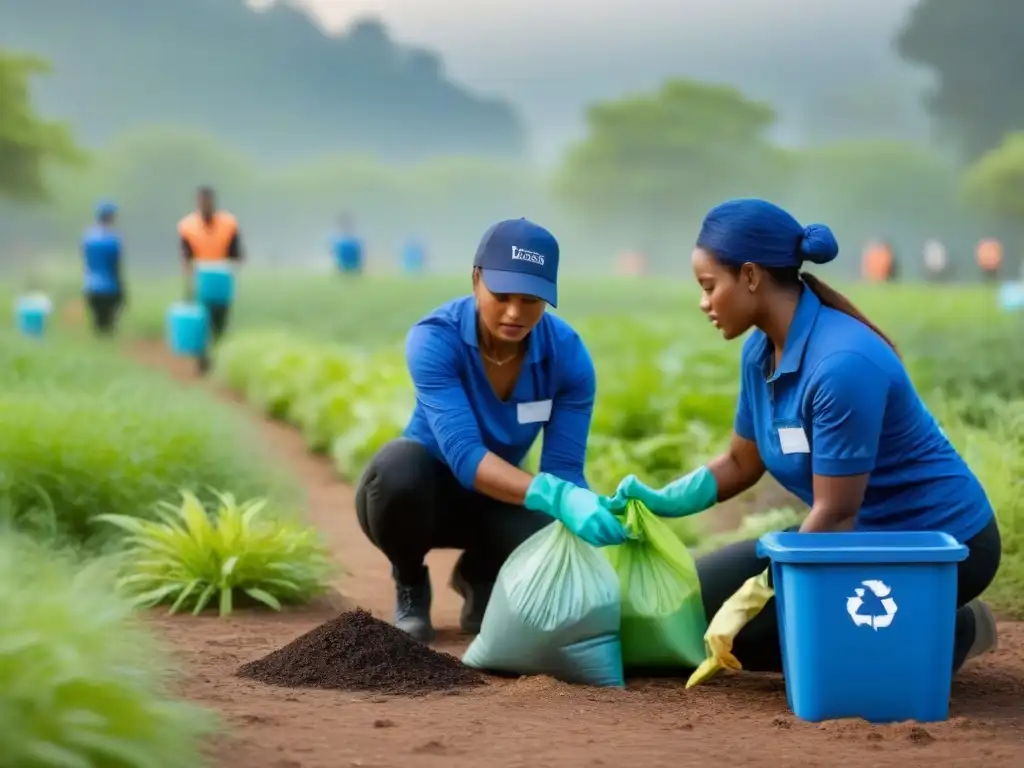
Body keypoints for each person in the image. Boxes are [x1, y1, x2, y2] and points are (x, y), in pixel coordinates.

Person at [611, 198, 1001, 674]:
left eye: (709, 286)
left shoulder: (842, 366)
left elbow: (835, 514)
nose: (703, 302)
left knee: (749, 637)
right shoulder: (761, 352)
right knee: (683, 611)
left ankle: (951, 626)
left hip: (937, 546)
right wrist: (662, 500)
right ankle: (906, 623)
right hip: (854, 534)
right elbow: (741, 462)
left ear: (751, 276)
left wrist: (759, 594)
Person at [355, 218, 628, 642]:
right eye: (502, 297)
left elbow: (564, 470)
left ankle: (479, 578)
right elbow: (464, 456)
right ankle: (410, 583)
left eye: (532, 300)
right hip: (420, 497)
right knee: (396, 468)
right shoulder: (435, 340)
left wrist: (591, 514)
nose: (515, 313)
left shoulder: (568, 356)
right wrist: (557, 495)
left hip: (497, 501)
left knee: (548, 519)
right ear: (476, 279)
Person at [177, 187, 243, 373]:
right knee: (201, 322)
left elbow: (236, 253)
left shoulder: (229, 223)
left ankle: (219, 359)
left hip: (222, 278)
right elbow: (185, 257)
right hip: (200, 278)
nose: (204, 204)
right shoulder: (187, 226)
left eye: (207, 201)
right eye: (201, 201)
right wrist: (188, 282)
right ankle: (203, 362)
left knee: (220, 323)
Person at [81, 201, 125, 337]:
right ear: (110, 217)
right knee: (108, 325)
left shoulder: (88, 237)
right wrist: (121, 289)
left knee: (97, 323)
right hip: (109, 287)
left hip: (90, 286)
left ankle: (98, 350)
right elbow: (116, 266)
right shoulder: (113, 240)